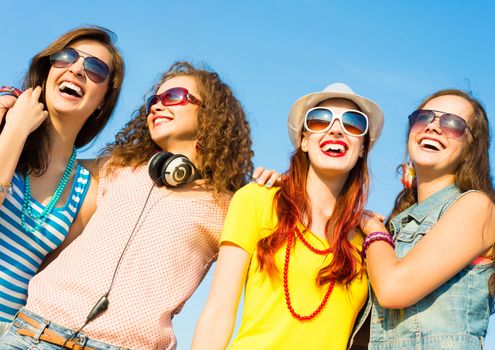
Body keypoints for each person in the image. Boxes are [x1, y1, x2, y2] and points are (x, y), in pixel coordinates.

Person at [0, 61, 278, 350]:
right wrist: (9, 98)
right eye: (153, 101)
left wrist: (278, 186)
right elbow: (52, 154)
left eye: (173, 97)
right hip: (31, 335)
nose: (157, 106)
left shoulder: (229, 206)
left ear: (210, 115)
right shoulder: (116, 168)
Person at [192, 83, 384, 350]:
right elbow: (218, 312)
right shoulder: (257, 200)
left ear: (363, 148)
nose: (336, 129)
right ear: (304, 140)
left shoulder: (370, 240)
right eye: (320, 120)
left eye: (353, 124)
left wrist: (377, 233)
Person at [360, 89, 495, 349]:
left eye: (453, 124)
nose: (433, 127)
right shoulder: (395, 228)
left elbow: (393, 288)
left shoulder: (476, 206)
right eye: (424, 118)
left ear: (471, 149)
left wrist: (371, 228)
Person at [0, 26, 124, 334]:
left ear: (102, 101)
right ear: (46, 71)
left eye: (96, 68)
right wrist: (15, 130)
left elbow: (45, 287)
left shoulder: (86, 187)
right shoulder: (3, 122)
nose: (78, 68)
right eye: (66, 57)